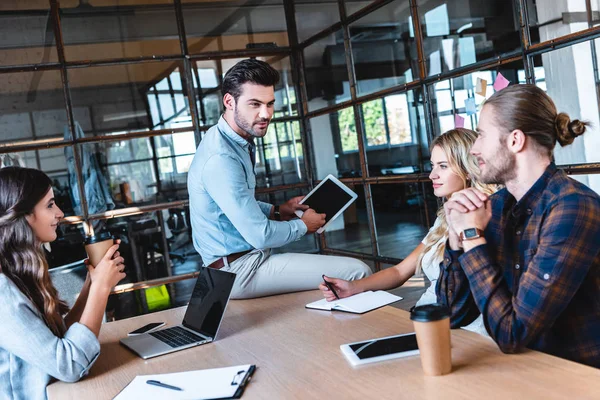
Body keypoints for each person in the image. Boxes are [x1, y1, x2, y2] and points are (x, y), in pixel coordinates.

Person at [438, 84, 600, 368]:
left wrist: (472, 236)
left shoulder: (572, 207)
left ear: (515, 140)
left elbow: (513, 333)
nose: (474, 148)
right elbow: (451, 314)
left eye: (481, 135)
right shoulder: (495, 207)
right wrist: (456, 236)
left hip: (576, 377)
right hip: (522, 369)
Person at [187, 59, 371, 299]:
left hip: (242, 263)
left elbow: (234, 204)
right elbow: (259, 235)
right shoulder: (222, 158)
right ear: (229, 102)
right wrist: (304, 225)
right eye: (255, 104)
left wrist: (278, 211)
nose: (266, 114)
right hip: (238, 272)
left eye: (270, 104)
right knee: (358, 272)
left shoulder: (229, 140)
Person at [319, 128, 496, 336]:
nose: (432, 175)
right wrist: (353, 287)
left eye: (443, 166)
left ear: (467, 169)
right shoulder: (443, 219)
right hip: (425, 321)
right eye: (432, 165)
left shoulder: (487, 215)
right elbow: (400, 271)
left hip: (464, 330)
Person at [0, 166, 126, 399]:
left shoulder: (19, 271)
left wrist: (90, 286)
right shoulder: (2, 291)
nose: (60, 213)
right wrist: (101, 288)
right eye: (49, 205)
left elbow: (58, 339)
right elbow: (69, 364)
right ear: (24, 215)